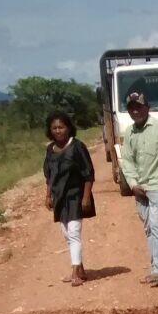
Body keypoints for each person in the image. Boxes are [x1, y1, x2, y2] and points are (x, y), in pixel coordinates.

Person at [120, 91, 158, 286]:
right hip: (140, 186)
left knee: (156, 226)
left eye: (139, 107)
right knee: (148, 228)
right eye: (131, 108)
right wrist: (133, 184)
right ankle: (155, 268)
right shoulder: (129, 132)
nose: (135, 111)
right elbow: (127, 161)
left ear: (147, 107)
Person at [43, 111, 95, 287]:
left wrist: (86, 197)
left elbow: (88, 174)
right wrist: (48, 195)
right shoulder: (50, 150)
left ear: (68, 128)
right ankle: (80, 268)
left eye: (61, 127)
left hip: (75, 196)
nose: (58, 131)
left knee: (73, 232)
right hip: (59, 197)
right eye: (55, 128)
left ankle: (74, 272)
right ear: (50, 130)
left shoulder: (77, 147)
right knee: (66, 233)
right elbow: (49, 176)